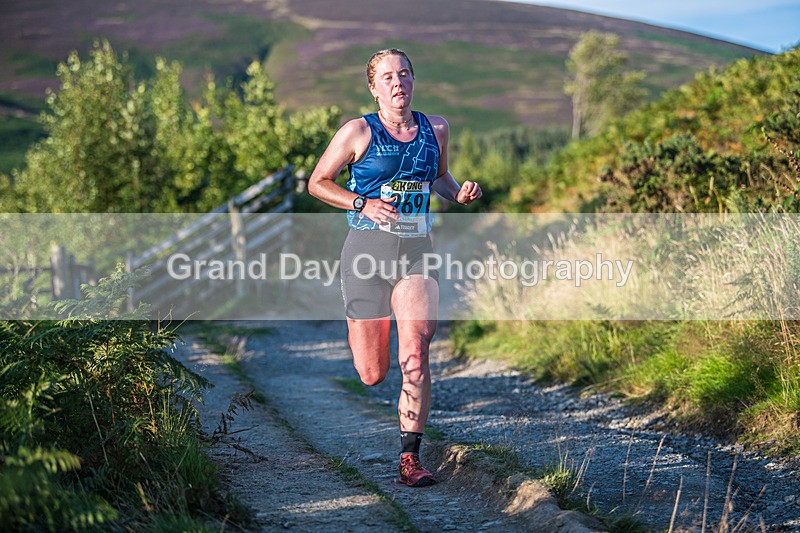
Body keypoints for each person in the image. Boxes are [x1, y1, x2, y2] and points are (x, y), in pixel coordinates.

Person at [308, 48, 482, 487]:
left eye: (404, 74)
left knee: (416, 356)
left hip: (416, 253)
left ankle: (410, 459)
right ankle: (372, 319)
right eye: (387, 77)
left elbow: (439, 178)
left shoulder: (435, 128)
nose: (397, 83)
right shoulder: (357, 131)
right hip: (365, 254)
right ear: (373, 87)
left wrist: (457, 193)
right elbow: (317, 183)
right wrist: (361, 202)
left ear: (413, 79)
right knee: (372, 373)